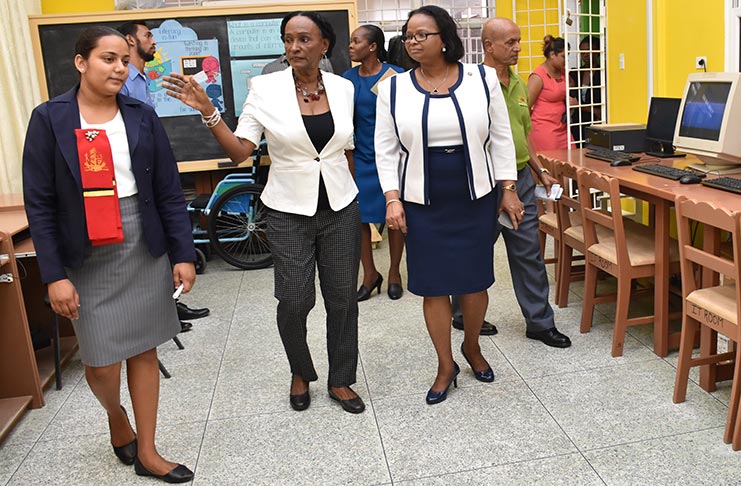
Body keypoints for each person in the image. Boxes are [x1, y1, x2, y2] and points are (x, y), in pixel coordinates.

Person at [163, 11, 365, 414]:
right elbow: (240, 151)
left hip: (341, 207)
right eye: (288, 39)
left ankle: (340, 378)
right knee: (294, 299)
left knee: (342, 298)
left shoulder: (344, 88)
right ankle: (300, 370)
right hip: (288, 209)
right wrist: (209, 111)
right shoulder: (265, 88)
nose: (294, 48)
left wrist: (357, 193)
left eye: (305, 39)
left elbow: (346, 147)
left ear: (324, 44)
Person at [22, 27, 195, 482]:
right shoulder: (49, 118)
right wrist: (53, 274)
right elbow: (38, 202)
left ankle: (150, 451)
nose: (119, 68)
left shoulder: (141, 114)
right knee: (100, 360)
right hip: (83, 250)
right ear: (81, 63)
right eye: (107, 59)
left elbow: (168, 191)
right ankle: (117, 417)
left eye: (124, 60)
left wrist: (183, 251)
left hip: (141, 240)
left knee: (144, 347)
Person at [375, 5, 520, 405]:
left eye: (423, 34)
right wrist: (391, 198)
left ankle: (471, 347)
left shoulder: (482, 78)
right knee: (432, 286)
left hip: (474, 192)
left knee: (475, 281)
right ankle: (445, 365)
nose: (413, 41)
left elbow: (502, 137)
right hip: (422, 198)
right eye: (409, 35)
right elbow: (385, 150)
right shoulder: (392, 88)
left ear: (445, 38)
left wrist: (508, 186)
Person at [475, 17, 571, 348]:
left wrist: (539, 169)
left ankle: (540, 322)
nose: (518, 48)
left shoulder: (517, 83)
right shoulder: (473, 85)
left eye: (518, 41)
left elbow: (524, 134)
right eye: (510, 42)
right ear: (489, 46)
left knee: (528, 251)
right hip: (485, 183)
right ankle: (463, 314)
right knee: (474, 251)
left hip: (521, 179)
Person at [117, 20, 210, 331]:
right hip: (136, 180)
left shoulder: (141, 80)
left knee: (167, 237)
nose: (153, 41)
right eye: (147, 35)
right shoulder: (124, 82)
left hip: (155, 171)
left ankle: (172, 306)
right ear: (131, 40)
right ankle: (163, 312)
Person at [342, 25, 405, 301]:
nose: (350, 46)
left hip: (391, 156)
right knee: (360, 219)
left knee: (395, 218)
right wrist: (348, 158)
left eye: (356, 41)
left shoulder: (397, 76)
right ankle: (369, 273)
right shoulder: (347, 78)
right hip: (361, 157)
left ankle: (394, 272)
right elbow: (344, 122)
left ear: (373, 47)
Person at [527, 34, 572, 150]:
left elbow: (571, 87)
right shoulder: (538, 77)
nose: (566, 60)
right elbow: (526, 106)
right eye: (563, 56)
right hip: (544, 129)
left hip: (563, 128)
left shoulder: (562, 72)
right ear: (552, 55)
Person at [569, 35, 602, 144]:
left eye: (588, 51)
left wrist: (581, 106)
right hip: (578, 123)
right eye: (582, 52)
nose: (585, 55)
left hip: (597, 123)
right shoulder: (575, 74)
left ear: (597, 51)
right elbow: (571, 101)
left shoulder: (603, 73)